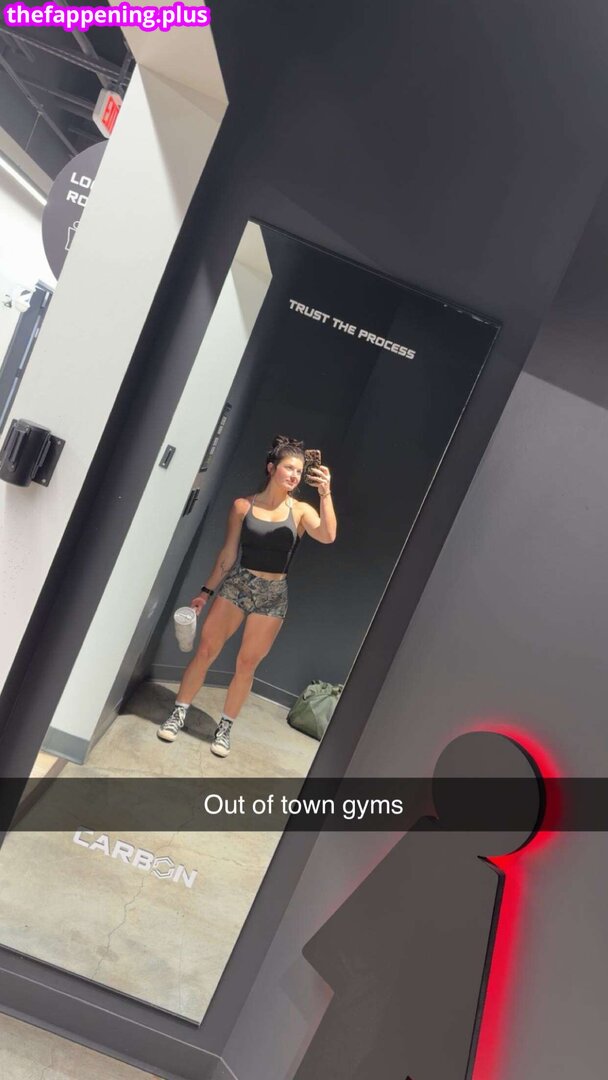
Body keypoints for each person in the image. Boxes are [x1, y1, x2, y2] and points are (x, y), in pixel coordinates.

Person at [157, 435, 337, 756]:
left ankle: (225, 727)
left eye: (299, 471)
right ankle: (179, 712)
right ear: (272, 468)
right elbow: (228, 555)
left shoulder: (300, 511)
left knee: (247, 664)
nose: (295, 475)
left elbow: (327, 535)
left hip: (273, 595)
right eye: (289, 468)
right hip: (238, 585)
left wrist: (325, 493)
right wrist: (205, 592)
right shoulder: (243, 506)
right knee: (206, 651)